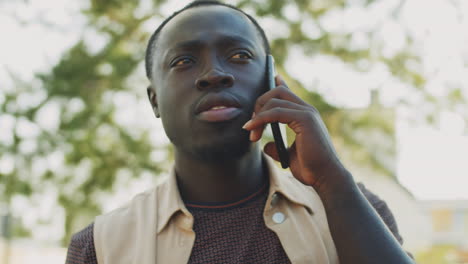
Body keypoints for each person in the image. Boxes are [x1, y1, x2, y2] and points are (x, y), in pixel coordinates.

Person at [65, 1, 414, 263]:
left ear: (271, 81)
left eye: (239, 55)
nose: (214, 74)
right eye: (183, 61)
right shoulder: (100, 246)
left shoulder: (352, 208)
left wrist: (332, 179)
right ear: (154, 100)